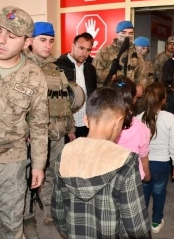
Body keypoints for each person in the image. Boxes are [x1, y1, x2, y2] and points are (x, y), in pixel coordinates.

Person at [0, 6, 48, 238]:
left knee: (13, 226)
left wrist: (38, 165)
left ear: (26, 43)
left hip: (11, 163)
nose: (1, 40)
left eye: (11, 36)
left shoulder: (34, 76)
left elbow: (39, 124)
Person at [51, 87, 151, 238]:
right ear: (119, 122)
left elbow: (57, 210)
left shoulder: (65, 153)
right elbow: (136, 226)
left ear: (85, 120)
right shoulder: (125, 161)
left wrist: (67, 233)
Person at [22, 22, 76, 237]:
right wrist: (25, 133)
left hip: (56, 133)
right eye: (42, 40)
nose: (47, 45)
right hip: (33, 136)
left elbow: (64, 100)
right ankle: (27, 216)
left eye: (51, 40)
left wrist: (70, 128)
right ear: (30, 41)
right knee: (28, 178)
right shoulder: (23, 67)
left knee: (53, 174)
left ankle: (50, 209)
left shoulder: (55, 68)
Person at [137, 83, 174, 233]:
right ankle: (156, 222)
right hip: (162, 164)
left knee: (143, 193)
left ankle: (140, 222)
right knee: (159, 192)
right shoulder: (170, 118)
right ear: (163, 100)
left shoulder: (138, 118)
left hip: (143, 163)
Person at [55, 32, 97, 138]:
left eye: (88, 50)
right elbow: (56, 101)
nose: (84, 53)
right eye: (81, 48)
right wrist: (69, 128)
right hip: (65, 126)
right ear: (73, 46)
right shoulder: (58, 66)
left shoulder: (90, 69)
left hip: (86, 123)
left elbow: (93, 95)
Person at [110, 76, 151, 181]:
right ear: (134, 99)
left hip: (109, 178)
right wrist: (147, 176)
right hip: (133, 180)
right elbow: (143, 158)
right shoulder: (141, 129)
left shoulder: (104, 125)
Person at [93, 20, 144, 86]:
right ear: (117, 33)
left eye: (130, 33)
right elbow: (96, 71)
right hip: (110, 91)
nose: (127, 36)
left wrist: (140, 86)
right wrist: (112, 76)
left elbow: (141, 74)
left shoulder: (136, 53)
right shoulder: (105, 51)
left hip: (128, 92)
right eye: (123, 32)